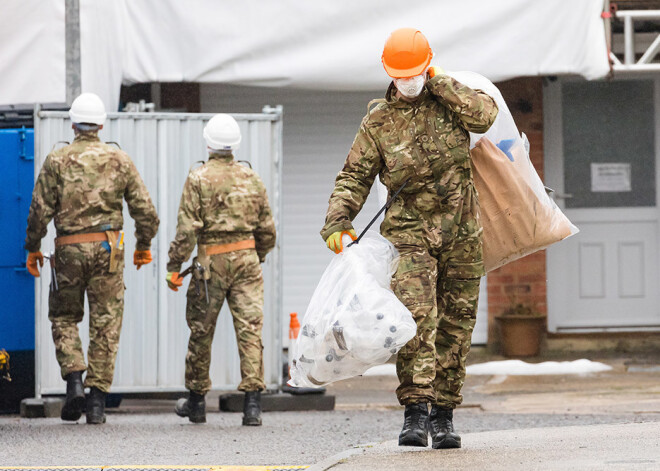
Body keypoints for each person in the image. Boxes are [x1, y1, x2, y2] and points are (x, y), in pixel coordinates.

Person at [321, 28, 498, 449]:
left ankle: (444, 416)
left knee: (456, 325)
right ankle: (415, 413)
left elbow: (485, 117)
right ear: (389, 74)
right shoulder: (378, 122)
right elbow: (353, 176)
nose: (409, 81)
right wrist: (337, 221)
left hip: (462, 234)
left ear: (428, 65)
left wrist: (441, 82)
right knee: (418, 319)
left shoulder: (452, 102)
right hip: (409, 235)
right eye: (401, 75)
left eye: (416, 73)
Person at [25, 92, 160, 424]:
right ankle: (97, 401)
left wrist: (32, 247)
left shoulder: (57, 160)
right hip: (108, 250)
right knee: (106, 323)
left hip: (68, 249)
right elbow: (146, 213)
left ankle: (74, 381)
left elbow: (38, 211)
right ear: (101, 124)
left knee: (64, 317)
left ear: (72, 124)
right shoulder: (119, 159)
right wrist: (143, 245)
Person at [166, 113, 276, 426]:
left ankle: (197, 403)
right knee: (250, 331)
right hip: (247, 260)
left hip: (210, 265)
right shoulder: (252, 178)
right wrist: (259, 255)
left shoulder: (198, 178)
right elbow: (267, 229)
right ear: (236, 145)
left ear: (208, 142)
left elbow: (187, 229)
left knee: (201, 331)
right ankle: (252, 406)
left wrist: (174, 266)